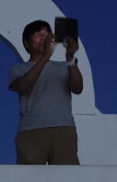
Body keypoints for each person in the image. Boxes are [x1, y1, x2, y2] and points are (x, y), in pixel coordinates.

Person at [8, 19, 83, 165]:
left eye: (47, 35)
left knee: (67, 176)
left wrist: (70, 57)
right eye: (38, 34)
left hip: (63, 127)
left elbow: (78, 88)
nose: (44, 38)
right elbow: (22, 86)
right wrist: (45, 57)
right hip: (31, 130)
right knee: (30, 177)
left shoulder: (64, 66)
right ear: (26, 43)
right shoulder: (18, 69)